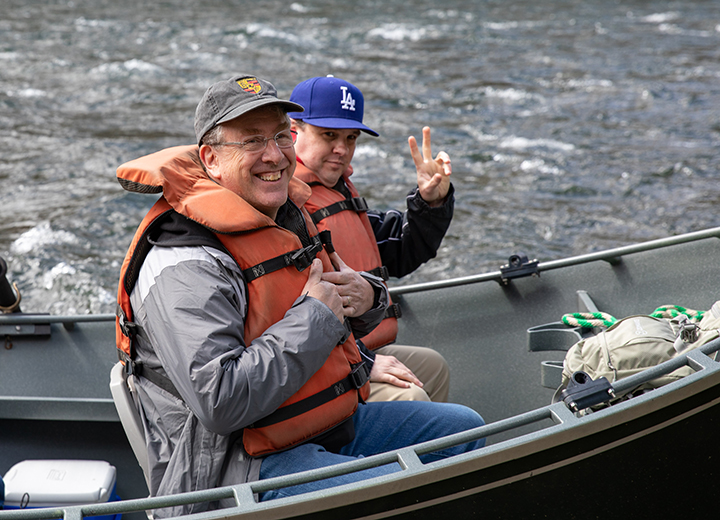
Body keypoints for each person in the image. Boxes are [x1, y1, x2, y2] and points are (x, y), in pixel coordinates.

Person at [114, 73, 484, 517]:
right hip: (240, 461)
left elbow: (328, 315)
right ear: (211, 159)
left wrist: (366, 299)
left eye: (278, 137)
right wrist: (316, 315)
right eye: (251, 141)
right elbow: (221, 401)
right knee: (397, 491)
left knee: (464, 431)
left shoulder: (281, 214)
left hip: (315, 418)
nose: (273, 155)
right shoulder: (184, 261)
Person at [289, 75, 453, 403]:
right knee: (412, 397)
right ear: (294, 130)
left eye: (351, 138)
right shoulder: (284, 202)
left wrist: (430, 202)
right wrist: (362, 359)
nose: (342, 149)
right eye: (328, 135)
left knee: (433, 367)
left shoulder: (339, 192)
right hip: (316, 362)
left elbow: (401, 251)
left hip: (360, 346)